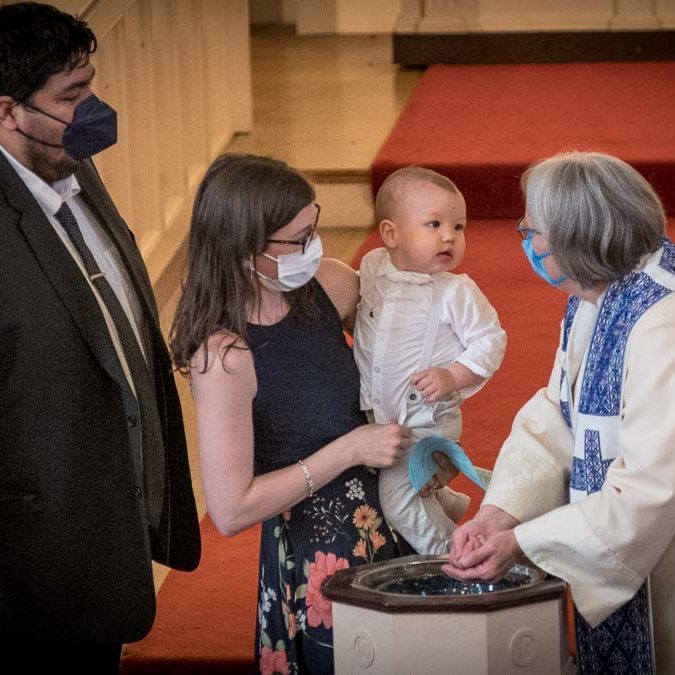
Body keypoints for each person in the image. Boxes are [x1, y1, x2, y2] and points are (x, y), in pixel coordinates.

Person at [0, 3, 201, 672]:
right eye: (72, 96)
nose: (93, 114)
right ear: (8, 112)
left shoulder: (70, 162)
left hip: (103, 544)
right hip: (30, 575)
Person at [170, 152, 412, 674]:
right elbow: (232, 510)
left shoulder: (329, 285)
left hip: (396, 517)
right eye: (297, 240)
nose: (314, 248)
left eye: (314, 229)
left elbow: (402, 343)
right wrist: (349, 449)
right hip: (318, 556)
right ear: (243, 249)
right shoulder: (225, 356)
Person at [442, 151, 675, 673]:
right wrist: (498, 513)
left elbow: (652, 489)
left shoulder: (663, 324)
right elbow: (559, 414)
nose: (526, 239)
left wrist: (521, 543)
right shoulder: (597, 293)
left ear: (576, 238)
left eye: (532, 229)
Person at [353, 166, 507, 555]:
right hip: (380, 413)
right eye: (434, 224)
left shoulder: (456, 291)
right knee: (400, 485)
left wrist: (452, 375)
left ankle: (450, 555)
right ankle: (447, 505)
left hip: (424, 420)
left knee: (398, 501)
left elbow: (490, 340)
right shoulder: (373, 267)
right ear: (391, 234)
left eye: (458, 227)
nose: (449, 237)